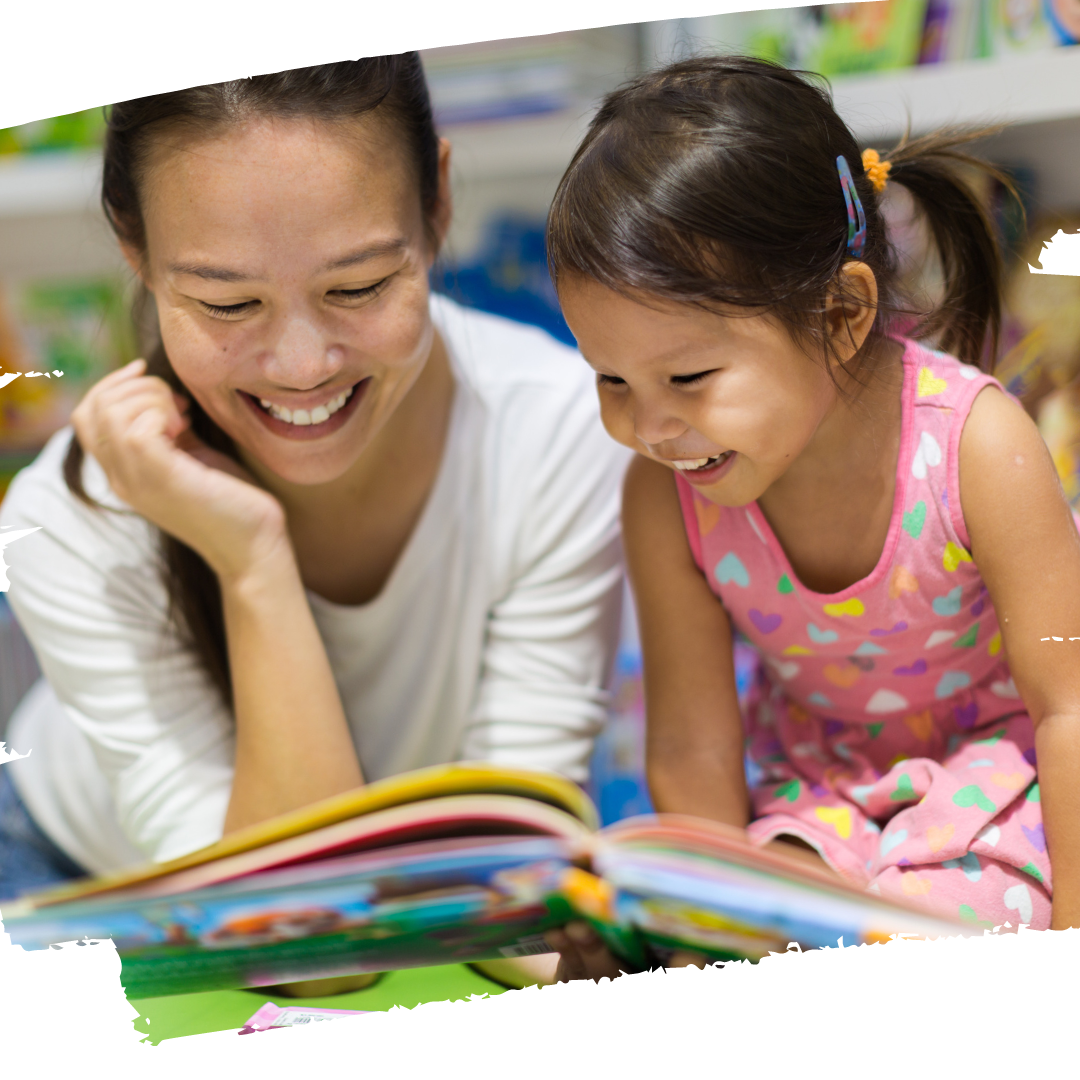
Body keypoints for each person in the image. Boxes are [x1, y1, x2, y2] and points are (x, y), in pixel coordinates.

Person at [0, 53, 630, 992]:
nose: (301, 365)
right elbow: (307, 957)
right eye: (227, 303)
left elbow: (501, 900)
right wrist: (251, 559)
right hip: (68, 877)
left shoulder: (559, 433)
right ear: (132, 247)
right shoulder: (69, 519)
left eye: (359, 286)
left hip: (392, 899)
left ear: (439, 202)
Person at [542, 54, 1080, 980]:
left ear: (839, 315)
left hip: (1004, 784)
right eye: (611, 379)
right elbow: (692, 745)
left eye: (689, 378)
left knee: (918, 941)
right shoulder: (662, 494)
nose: (649, 425)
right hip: (818, 796)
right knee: (749, 935)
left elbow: (1069, 707)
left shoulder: (977, 445)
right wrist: (705, 941)